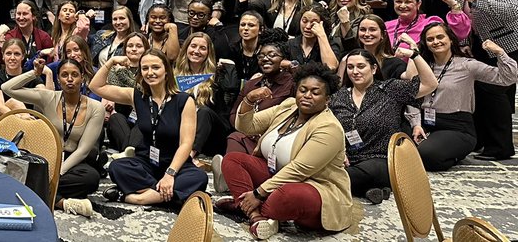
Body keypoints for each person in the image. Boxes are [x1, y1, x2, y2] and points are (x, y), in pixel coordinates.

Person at [218, 63, 357, 240]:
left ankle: (242, 204)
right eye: (303, 90)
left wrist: (257, 193)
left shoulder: (329, 127)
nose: (307, 96)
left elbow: (300, 170)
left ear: (327, 99)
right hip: (276, 173)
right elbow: (246, 126)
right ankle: (255, 215)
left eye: (315, 92)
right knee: (233, 160)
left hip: (316, 186)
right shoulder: (288, 106)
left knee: (282, 199)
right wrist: (249, 100)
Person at [92, 49, 209, 205]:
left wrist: (169, 174)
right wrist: (112, 62)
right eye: (145, 68)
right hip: (146, 161)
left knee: (199, 178)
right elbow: (96, 86)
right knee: (116, 167)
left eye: (155, 67)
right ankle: (169, 196)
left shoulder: (184, 100)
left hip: (175, 164)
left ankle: (136, 197)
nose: (150, 72)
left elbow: (186, 144)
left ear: (166, 71)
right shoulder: (136, 96)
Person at [330, 47, 438, 203]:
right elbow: (331, 129)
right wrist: (339, 152)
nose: (355, 71)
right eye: (350, 67)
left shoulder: (390, 89)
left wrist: (414, 55)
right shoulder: (338, 97)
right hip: (349, 159)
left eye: (361, 66)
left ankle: (342, 184)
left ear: (374, 69)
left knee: (356, 174)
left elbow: (430, 84)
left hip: (383, 159)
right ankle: (369, 189)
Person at [1, 56, 105, 217]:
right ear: (58, 79)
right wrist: (35, 73)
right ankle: (61, 202)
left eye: (74, 75)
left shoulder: (96, 108)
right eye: (64, 75)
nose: (69, 79)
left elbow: (83, 150)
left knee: (91, 179)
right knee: (27, 169)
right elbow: (7, 88)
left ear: (82, 77)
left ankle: (34, 191)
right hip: (47, 155)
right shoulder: (48, 97)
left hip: (72, 159)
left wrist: (58, 174)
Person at [414, 23, 518, 171]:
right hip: (425, 122)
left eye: (440, 37)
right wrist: (416, 123)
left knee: (426, 155)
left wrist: (500, 52)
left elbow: (508, 78)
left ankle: (455, 154)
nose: (436, 41)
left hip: (456, 127)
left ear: (450, 39)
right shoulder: (422, 66)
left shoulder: (467, 65)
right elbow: (410, 97)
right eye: (430, 39)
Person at [453, 0, 518, 159]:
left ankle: (500, 147)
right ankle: (481, 141)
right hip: (479, 43)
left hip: (505, 43)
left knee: (496, 94)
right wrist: (463, 41)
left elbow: (511, 10)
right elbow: (461, 15)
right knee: (480, 92)